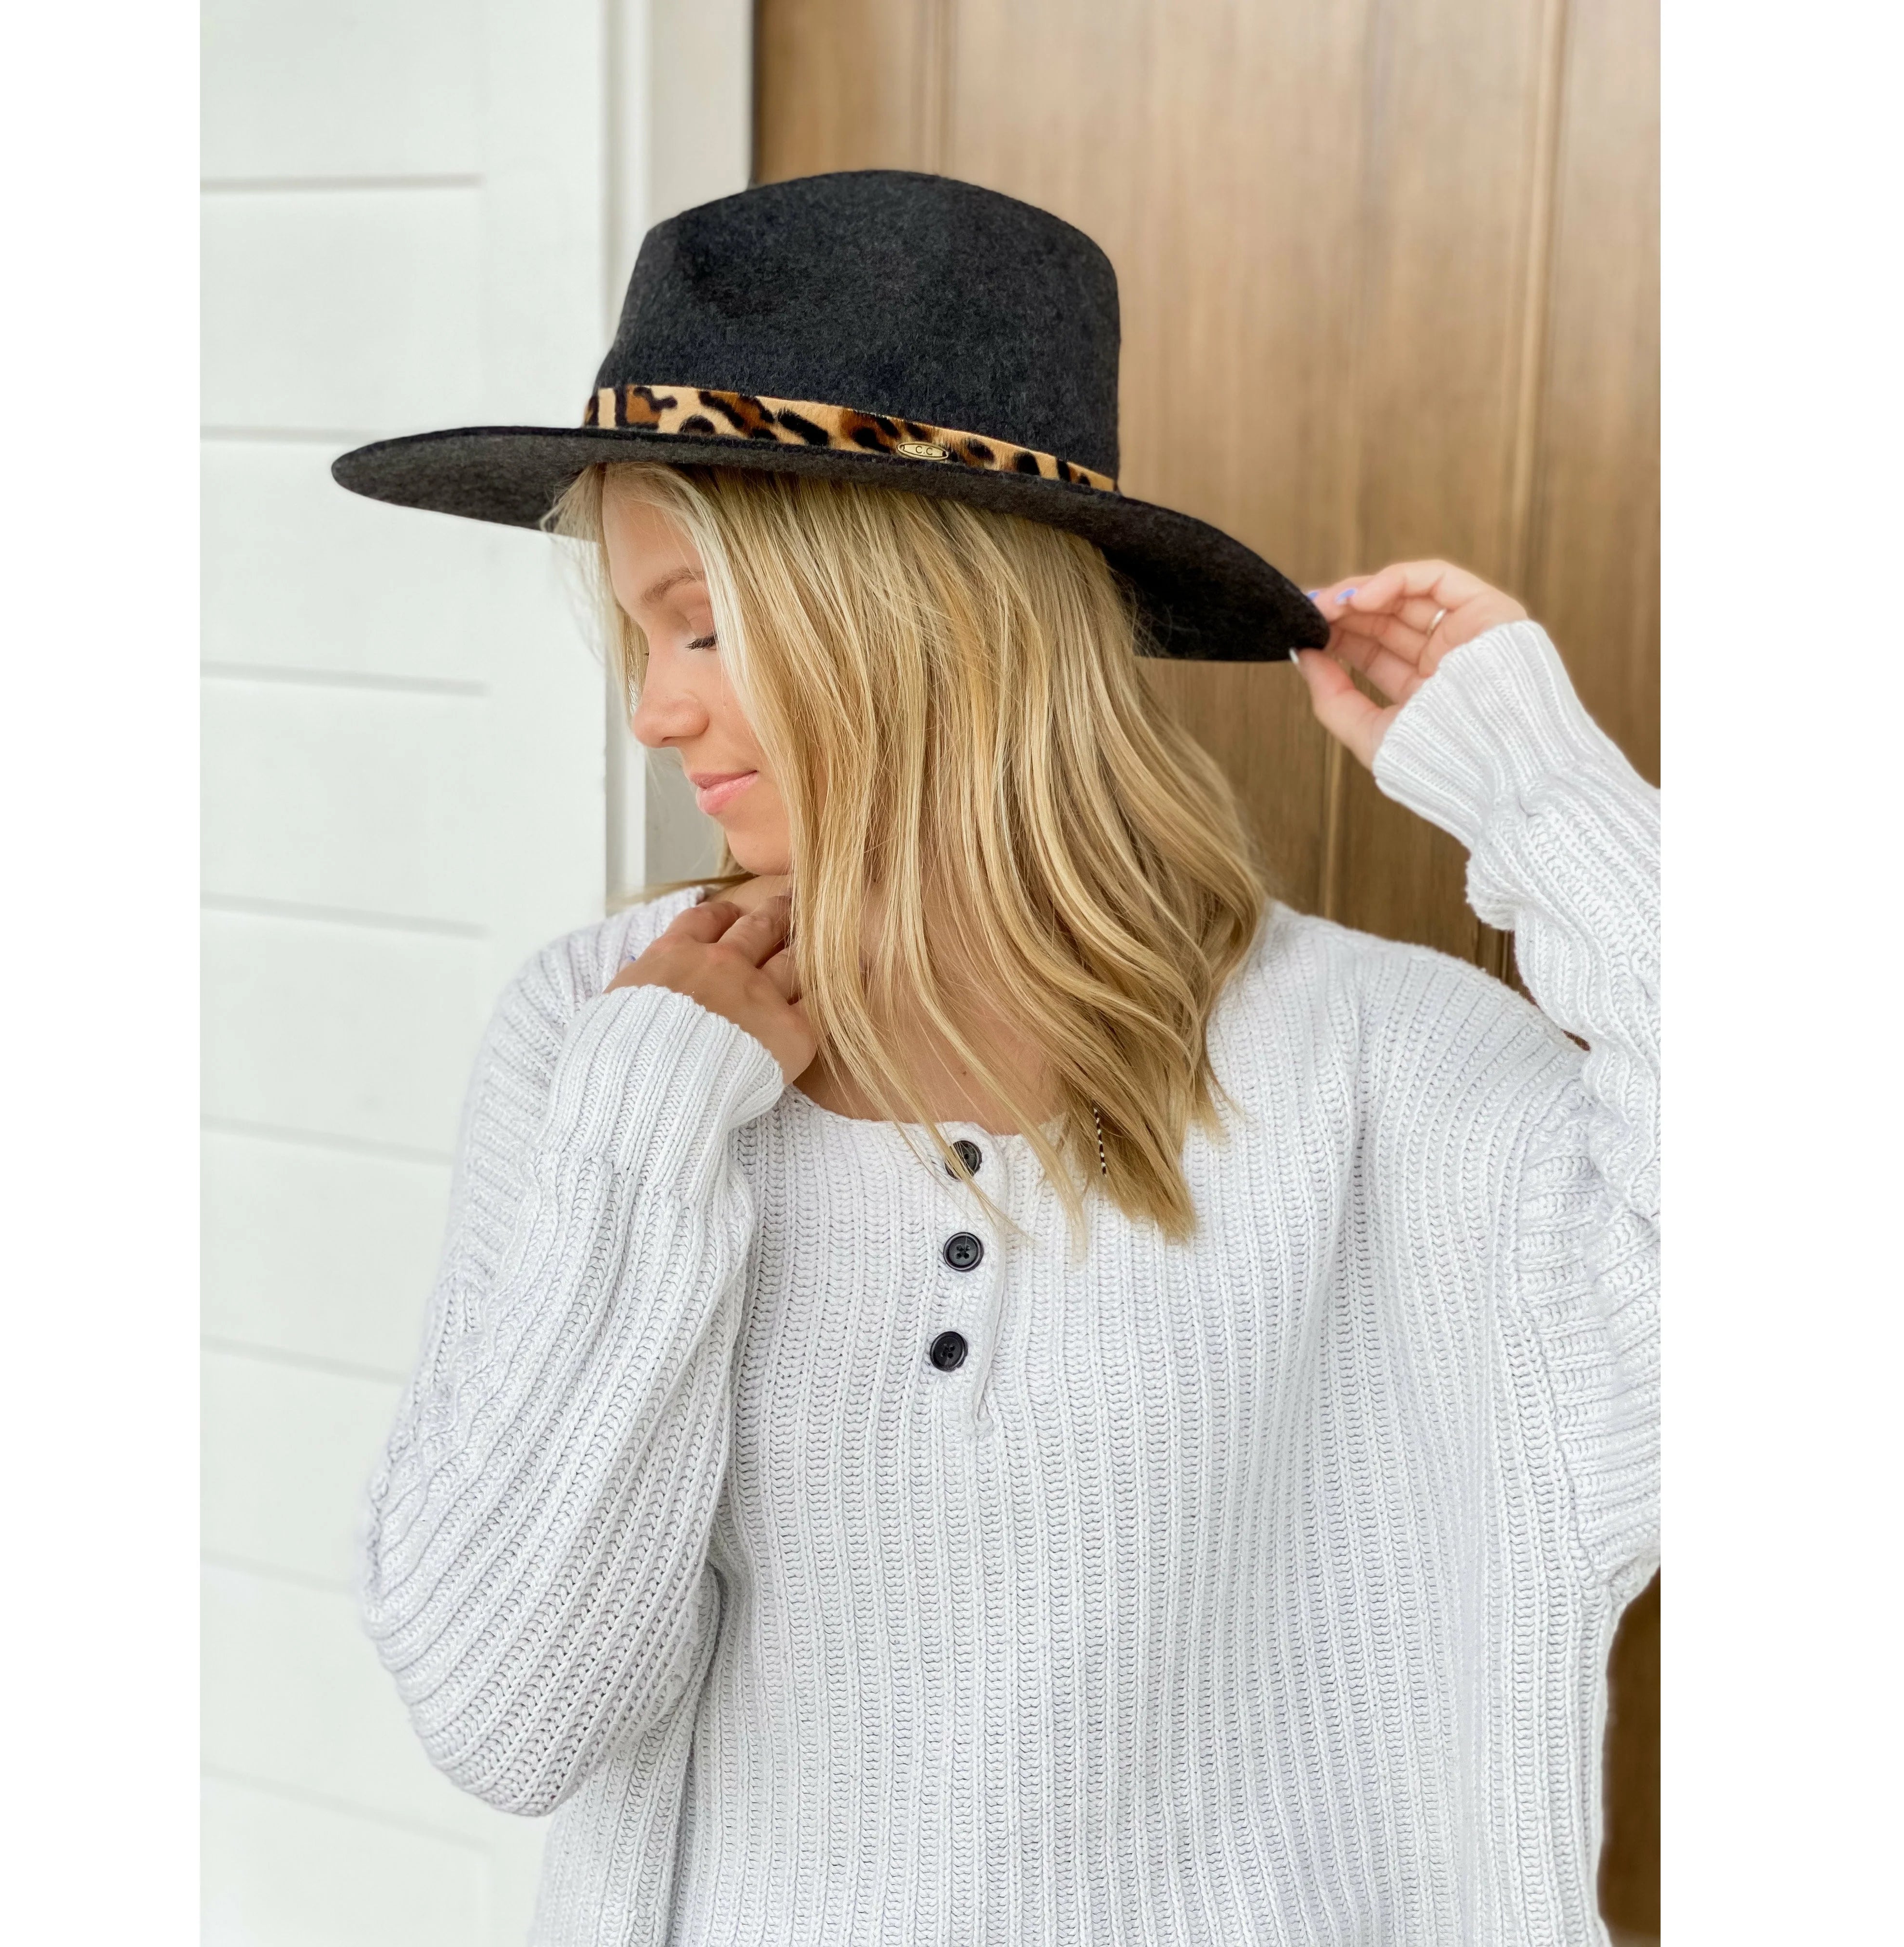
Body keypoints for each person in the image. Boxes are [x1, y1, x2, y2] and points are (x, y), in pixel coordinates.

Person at [335, 172, 1657, 1946]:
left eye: (702, 624)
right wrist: (647, 1139)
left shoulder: (1377, 1071)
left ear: (925, 617)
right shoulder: (607, 1038)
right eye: (642, 634)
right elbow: (507, 1718)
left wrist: (1543, 789)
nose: (653, 712)